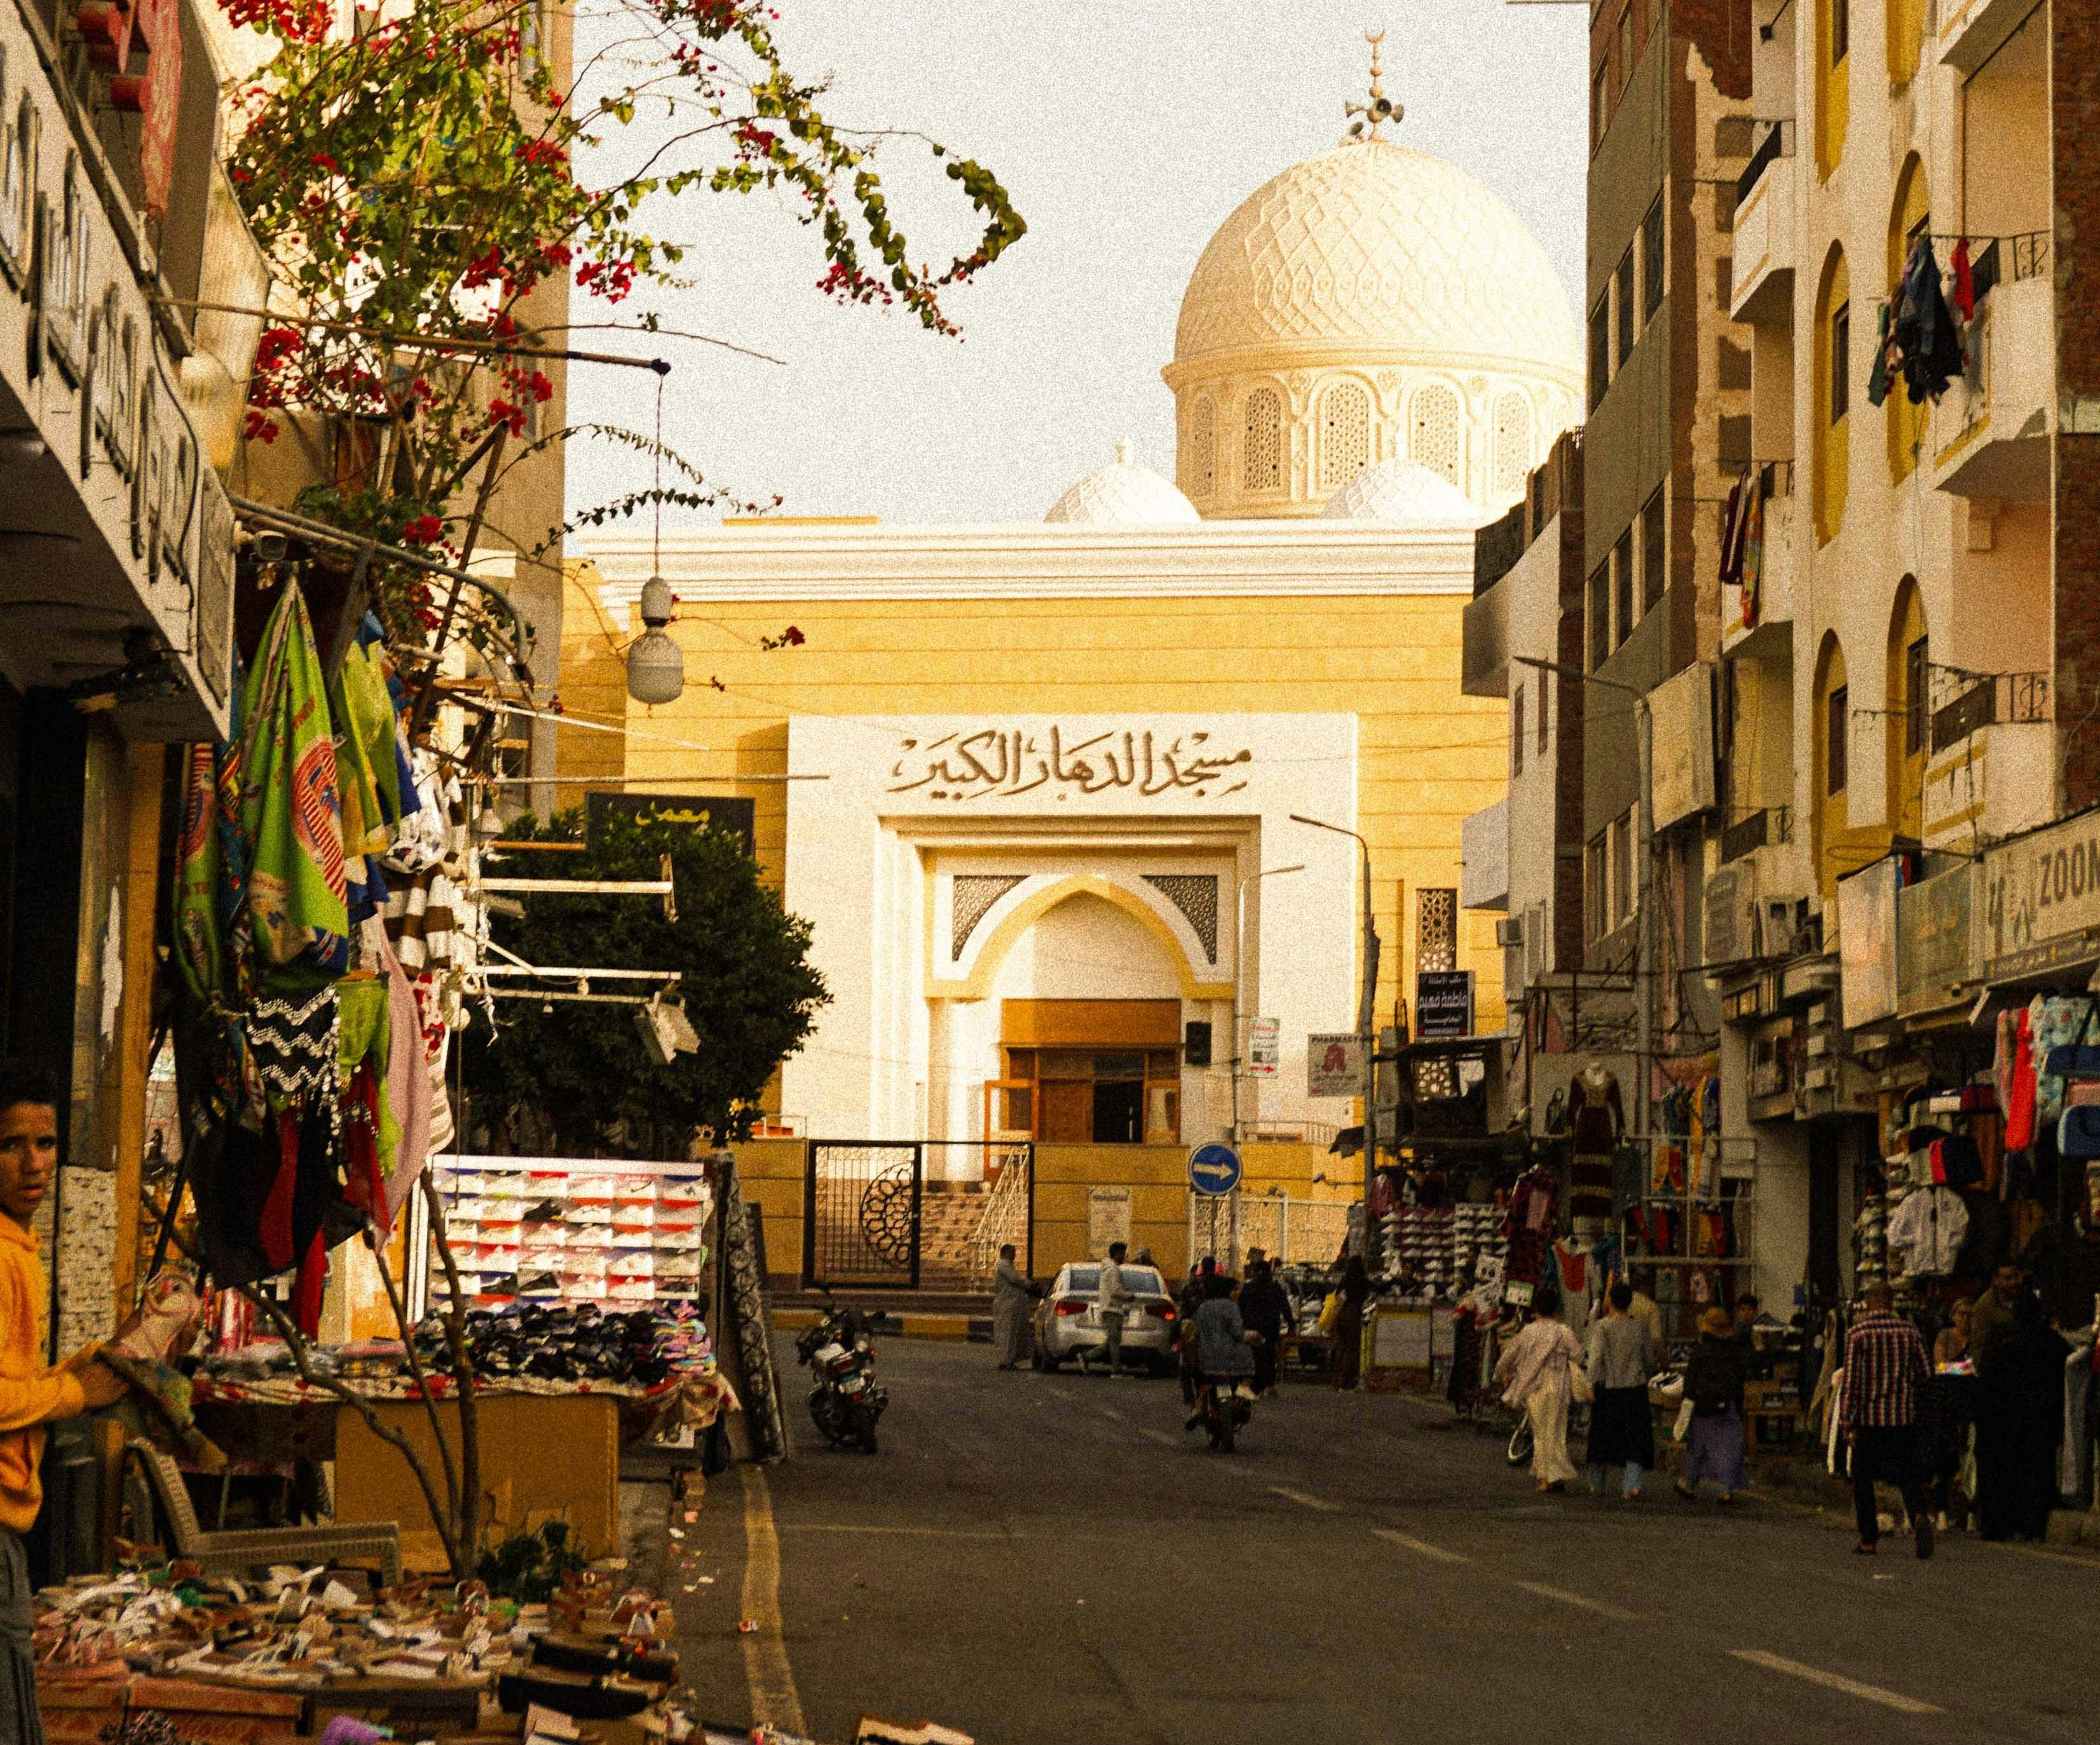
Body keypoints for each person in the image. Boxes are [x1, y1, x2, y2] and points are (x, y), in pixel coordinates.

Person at [0, 1064, 130, 1745]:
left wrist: (82, 1371)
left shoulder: (19, 1249)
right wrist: (76, 1393)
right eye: (11, 1144)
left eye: (45, 1143)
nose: (33, 1164)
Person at [1839, 1281, 1936, 1557]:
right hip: (1902, 1417)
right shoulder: (1910, 1331)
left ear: (1869, 1303)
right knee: (1908, 1473)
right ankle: (1918, 1514)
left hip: (1869, 1420)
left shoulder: (1858, 1333)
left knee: (1863, 1479)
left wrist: (1847, 1421)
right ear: (1891, 1303)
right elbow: (1925, 1372)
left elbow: (1851, 1381)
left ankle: (1869, 1539)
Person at [1973, 1289, 2069, 1542]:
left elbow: (1987, 1384)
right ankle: (2032, 1525)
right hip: (2042, 1421)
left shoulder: (2003, 1345)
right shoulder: (2055, 1344)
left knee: (2003, 1472)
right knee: (2037, 1472)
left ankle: (2000, 1525)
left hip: (2005, 1423)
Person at [1494, 1286, 1584, 1493]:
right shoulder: (1564, 1332)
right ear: (1555, 1309)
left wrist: (1499, 1374)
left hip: (1535, 1388)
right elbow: (1578, 1356)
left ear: (1536, 1308)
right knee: (1557, 1432)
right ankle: (1555, 1475)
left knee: (1540, 1434)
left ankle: (1545, 1478)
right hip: (1559, 1387)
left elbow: (1508, 1356)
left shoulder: (1528, 1332)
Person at [1585, 1280, 1656, 1500]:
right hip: (1635, 1389)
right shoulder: (1641, 1326)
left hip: (1609, 1389)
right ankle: (1632, 1486)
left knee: (1601, 1438)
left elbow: (1595, 1358)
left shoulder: (1602, 1327)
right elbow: (1649, 1358)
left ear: (1611, 1301)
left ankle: (1597, 1484)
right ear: (1630, 1302)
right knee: (1636, 1438)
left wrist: (1589, 1384)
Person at [1677, 1306, 1749, 1503]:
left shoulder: (1700, 1351)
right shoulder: (1733, 1351)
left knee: (1698, 1446)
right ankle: (1726, 1490)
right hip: (1727, 1404)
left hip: (1703, 1406)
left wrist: (1687, 1400)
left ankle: (1689, 1484)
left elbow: (1691, 1381)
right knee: (1729, 1447)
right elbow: (1739, 1379)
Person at [1184, 1275, 1258, 1430]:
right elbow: (1238, 1333)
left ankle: (1198, 1407)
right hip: (1231, 1359)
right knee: (1250, 1359)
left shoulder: (1203, 1308)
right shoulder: (1231, 1307)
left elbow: (1196, 1331)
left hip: (1207, 1359)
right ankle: (1244, 1388)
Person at [1237, 1259, 1291, 1397]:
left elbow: (1240, 1307)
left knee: (1254, 1356)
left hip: (1251, 1326)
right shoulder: (1276, 1288)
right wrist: (1291, 1324)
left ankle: (1255, 1385)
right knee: (1269, 1355)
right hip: (1270, 1327)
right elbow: (1285, 1307)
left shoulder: (1248, 1288)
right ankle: (1268, 1385)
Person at [1967, 1263, 2024, 1376]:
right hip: (2000, 1368)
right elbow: (1979, 1344)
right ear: (1995, 1280)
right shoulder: (1984, 1307)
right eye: (2008, 1279)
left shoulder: (2024, 1297)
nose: (2014, 1282)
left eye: (2016, 1277)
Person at [1330, 1254, 1374, 1391]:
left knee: (1341, 1347)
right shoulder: (1361, 1280)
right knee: (1351, 1349)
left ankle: (1336, 1382)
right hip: (1353, 1314)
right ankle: (1346, 1383)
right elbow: (1375, 1287)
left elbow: (1337, 1295)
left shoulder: (1345, 1279)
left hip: (1342, 1314)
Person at [991, 1243, 1034, 1370]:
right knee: (1008, 1334)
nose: (1015, 1255)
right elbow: (1015, 1280)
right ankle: (1006, 1360)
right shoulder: (1003, 1266)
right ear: (1005, 1253)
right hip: (1007, 1304)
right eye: (1012, 1252)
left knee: (1013, 1333)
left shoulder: (1007, 1266)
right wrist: (1028, 1284)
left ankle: (1011, 1359)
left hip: (1011, 1304)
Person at [1096, 1241, 1132, 1377]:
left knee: (1112, 1341)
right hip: (1113, 1309)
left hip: (1109, 1308)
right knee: (1115, 1341)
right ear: (1117, 1254)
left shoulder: (1108, 1269)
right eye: (1123, 1254)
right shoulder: (1113, 1270)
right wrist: (1129, 1296)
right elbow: (1116, 1290)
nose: (1124, 1257)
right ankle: (1116, 1371)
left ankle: (1086, 1357)